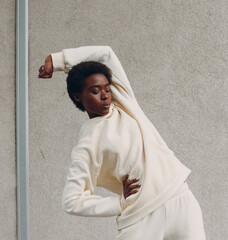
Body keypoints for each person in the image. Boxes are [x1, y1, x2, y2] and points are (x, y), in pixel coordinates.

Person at [38, 46, 206, 240]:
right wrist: (119, 203)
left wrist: (57, 60)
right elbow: (71, 201)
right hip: (140, 215)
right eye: (95, 91)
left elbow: (106, 53)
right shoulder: (87, 144)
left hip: (180, 199)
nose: (105, 95)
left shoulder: (125, 103)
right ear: (78, 96)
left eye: (107, 89)